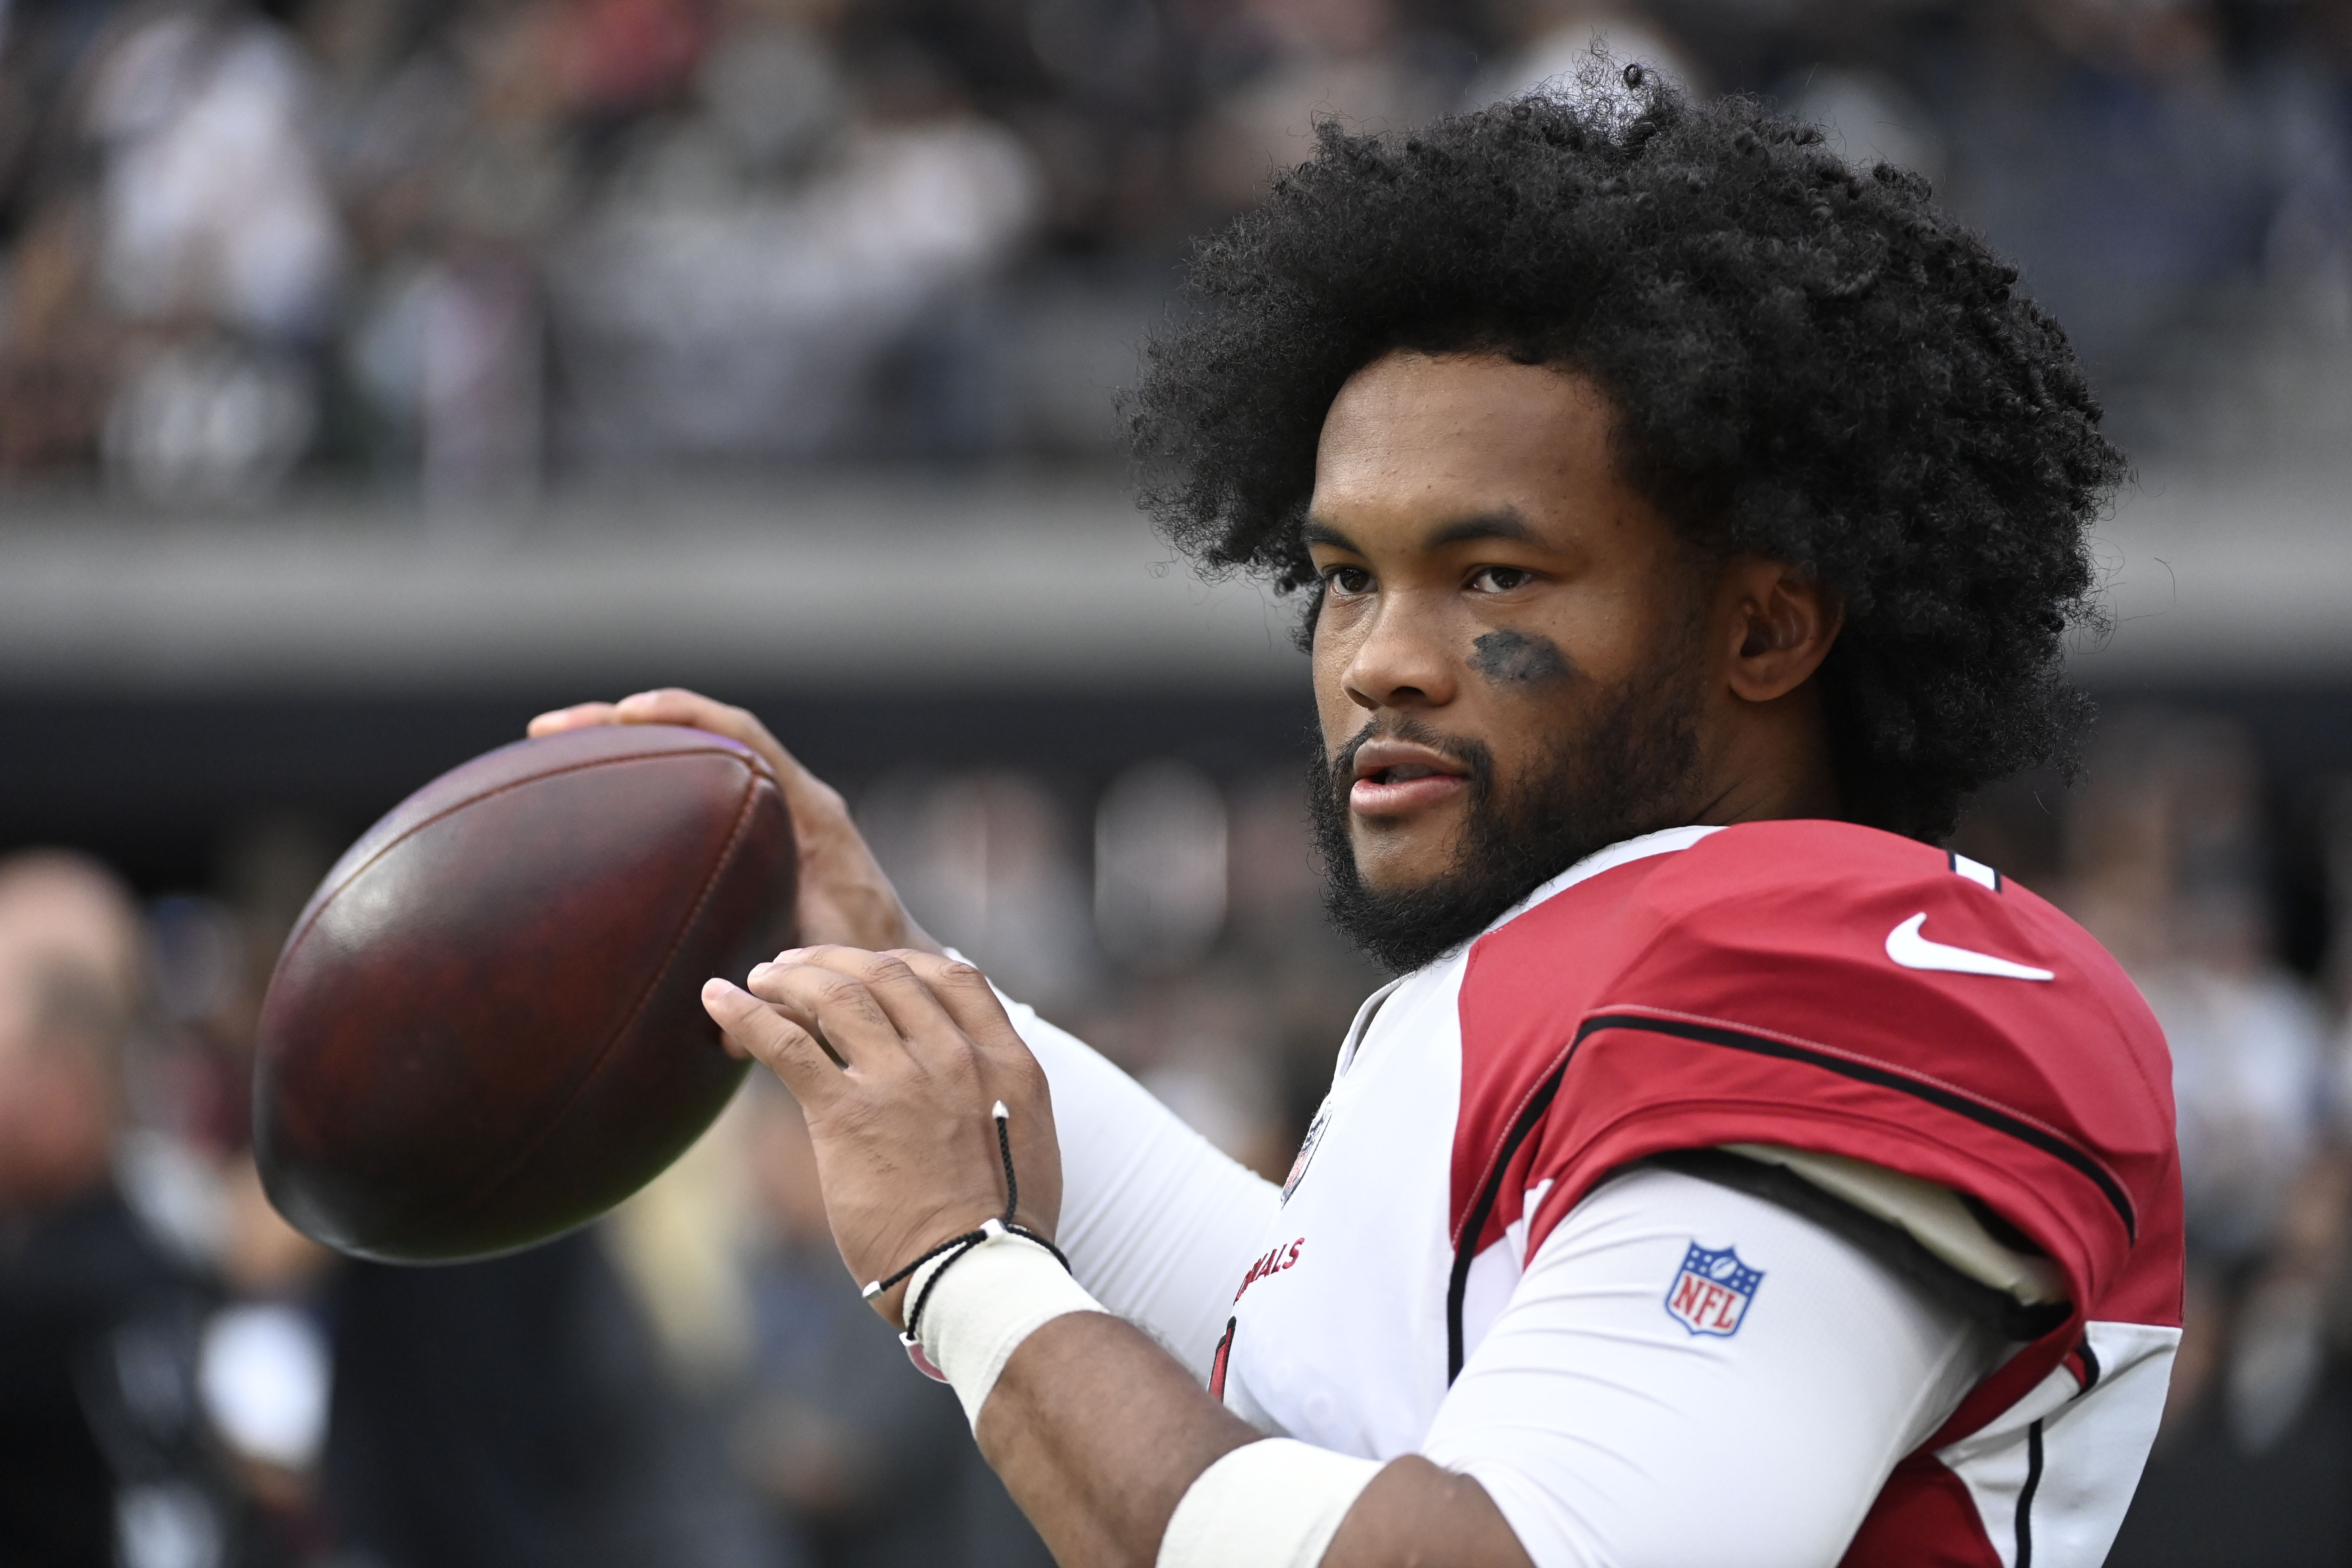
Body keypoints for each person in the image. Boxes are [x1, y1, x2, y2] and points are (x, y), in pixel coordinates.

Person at [533, 73, 2182, 1568]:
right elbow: (1288, 1375)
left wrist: (963, 1271)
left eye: (1492, 575)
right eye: (1343, 580)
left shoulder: (1873, 966)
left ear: (1767, 629)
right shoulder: (1534, 989)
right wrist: (885, 970)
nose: (1382, 662)